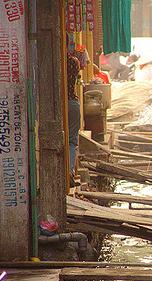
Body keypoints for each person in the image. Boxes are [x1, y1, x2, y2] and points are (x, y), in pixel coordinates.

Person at [66, 51, 81, 187]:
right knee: (71, 141)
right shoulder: (73, 61)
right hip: (72, 102)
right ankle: (69, 171)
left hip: (55, 105)